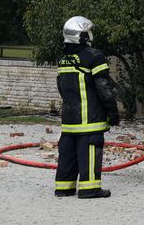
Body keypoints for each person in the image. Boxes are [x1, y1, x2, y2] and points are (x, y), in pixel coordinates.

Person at [55, 16, 119, 198]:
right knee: (91, 147)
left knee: (68, 151)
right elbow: (103, 88)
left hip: (69, 118)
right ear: (81, 35)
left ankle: (64, 187)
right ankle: (90, 188)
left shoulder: (63, 59)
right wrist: (112, 112)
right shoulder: (94, 56)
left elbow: (61, 87)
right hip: (89, 117)